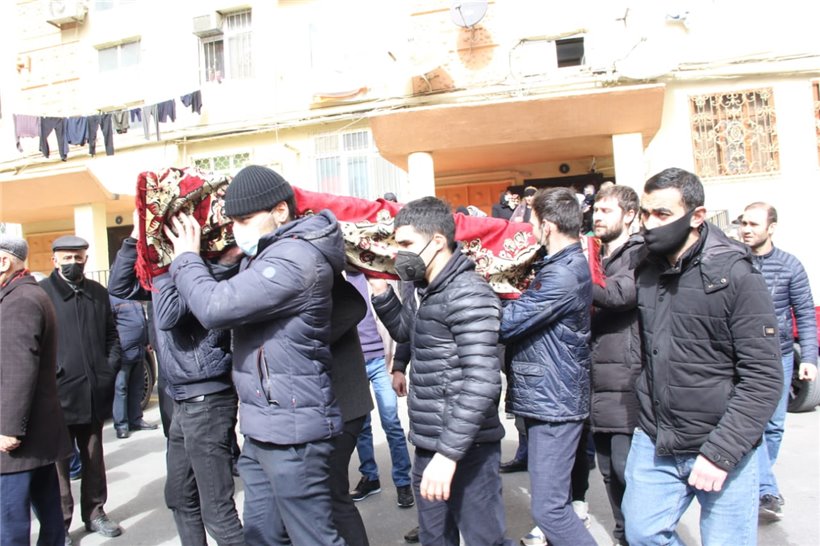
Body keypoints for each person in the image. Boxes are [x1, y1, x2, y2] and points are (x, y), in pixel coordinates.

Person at [164, 165, 346, 545]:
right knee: (261, 536)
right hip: (264, 428)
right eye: (232, 221)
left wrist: (185, 259)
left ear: (280, 211)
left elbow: (214, 307)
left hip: (293, 432)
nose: (237, 229)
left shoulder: (294, 258)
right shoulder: (266, 256)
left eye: (245, 220)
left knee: (314, 538)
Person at [622, 168, 782, 545]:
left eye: (663, 214)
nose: (649, 223)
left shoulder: (736, 275)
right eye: (645, 213)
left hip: (722, 441)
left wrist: (721, 453)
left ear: (697, 216)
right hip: (656, 438)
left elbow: (763, 378)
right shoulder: (645, 267)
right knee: (642, 533)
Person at [368, 196, 511, 546]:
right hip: (429, 440)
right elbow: (407, 333)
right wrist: (382, 293)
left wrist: (448, 455)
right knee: (435, 538)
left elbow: (482, 380)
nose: (399, 254)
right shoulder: (425, 289)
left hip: (467, 447)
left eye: (406, 244)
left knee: (484, 540)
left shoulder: (469, 292)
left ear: (436, 241)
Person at [108, 221, 245, 546]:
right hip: (181, 400)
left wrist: (170, 264)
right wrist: (134, 237)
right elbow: (119, 286)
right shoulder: (169, 273)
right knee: (180, 497)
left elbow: (169, 314)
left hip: (208, 401)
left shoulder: (209, 272)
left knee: (217, 512)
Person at [499, 187, 597, 546]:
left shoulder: (562, 275)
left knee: (550, 510)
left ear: (548, 226)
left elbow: (508, 323)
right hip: (553, 396)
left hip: (555, 402)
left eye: (533, 222)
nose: (529, 229)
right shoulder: (559, 265)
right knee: (555, 504)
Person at [39, 236, 122, 541]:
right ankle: (59, 523)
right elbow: (33, 343)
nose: (73, 263)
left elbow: (112, 336)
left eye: (78, 257)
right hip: (57, 396)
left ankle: (95, 512)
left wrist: (107, 369)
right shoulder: (42, 294)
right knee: (58, 467)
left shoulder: (98, 293)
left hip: (92, 393)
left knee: (93, 458)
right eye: (67, 257)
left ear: (86, 259)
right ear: (54, 261)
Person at [739, 201, 818, 520]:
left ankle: (759, 480)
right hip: (743, 356)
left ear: (771, 228)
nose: (746, 230)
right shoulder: (733, 261)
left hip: (780, 355)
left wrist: (808, 357)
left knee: (774, 425)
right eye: (743, 223)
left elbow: (805, 314)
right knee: (753, 423)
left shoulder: (790, 266)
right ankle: (765, 490)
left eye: (753, 224)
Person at [0, 236, 71, 546]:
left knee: (10, 526)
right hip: (35, 434)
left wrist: (8, 429)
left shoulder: (19, 300)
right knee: (49, 512)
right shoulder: (25, 293)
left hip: (18, 440)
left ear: (4, 262)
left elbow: (19, 369)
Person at [589, 184, 644, 546]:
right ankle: (624, 536)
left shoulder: (639, 253)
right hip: (596, 380)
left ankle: (642, 537)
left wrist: (574, 276)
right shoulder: (595, 256)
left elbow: (619, 295)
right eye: (595, 210)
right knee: (608, 470)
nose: (597, 216)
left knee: (627, 470)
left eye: (606, 210)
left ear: (629, 215)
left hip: (626, 380)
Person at [347, 270, 414, 509]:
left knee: (391, 423)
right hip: (353, 363)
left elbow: (399, 323)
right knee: (361, 426)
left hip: (381, 362)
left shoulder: (376, 276)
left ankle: (403, 482)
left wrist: (397, 367)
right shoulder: (337, 277)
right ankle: (370, 477)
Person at [327, 273, 375, 546]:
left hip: (343, 406)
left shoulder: (320, 272)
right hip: (328, 408)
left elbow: (354, 305)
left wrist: (303, 338)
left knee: (333, 495)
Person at [109, 294, 156, 439]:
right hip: (124, 353)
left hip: (138, 351)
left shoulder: (133, 297)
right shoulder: (112, 299)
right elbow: (109, 327)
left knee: (137, 387)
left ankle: (136, 420)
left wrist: (147, 340)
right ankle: (121, 425)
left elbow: (143, 321)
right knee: (121, 389)